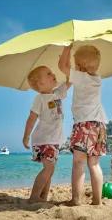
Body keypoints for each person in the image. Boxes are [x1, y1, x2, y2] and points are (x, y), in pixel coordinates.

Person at [59, 44, 107, 206]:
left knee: (78, 163)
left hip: (84, 125)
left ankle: (76, 200)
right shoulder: (96, 79)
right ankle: (97, 201)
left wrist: (67, 48)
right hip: (99, 125)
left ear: (80, 67)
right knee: (94, 163)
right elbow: (71, 77)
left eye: (76, 65)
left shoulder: (81, 77)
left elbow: (62, 66)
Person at [23, 66, 68, 203]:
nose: (53, 74)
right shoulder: (40, 98)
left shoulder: (57, 94)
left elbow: (69, 81)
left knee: (50, 169)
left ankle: (43, 197)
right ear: (40, 84)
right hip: (44, 140)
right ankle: (34, 196)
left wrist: (69, 69)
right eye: (48, 74)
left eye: (52, 72)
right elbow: (32, 118)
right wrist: (26, 136)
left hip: (53, 141)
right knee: (49, 168)